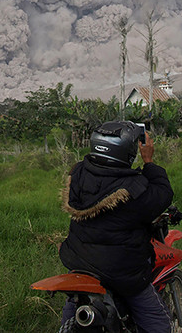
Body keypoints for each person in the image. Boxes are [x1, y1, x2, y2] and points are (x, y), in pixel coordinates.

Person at [59, 120, 174, 333]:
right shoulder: (134, 189)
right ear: (128, 153)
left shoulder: (78, 173)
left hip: (79, 262)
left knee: (74, 309)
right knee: (160, 325)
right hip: (120, 271)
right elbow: (163, 195)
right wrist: (148, 160)